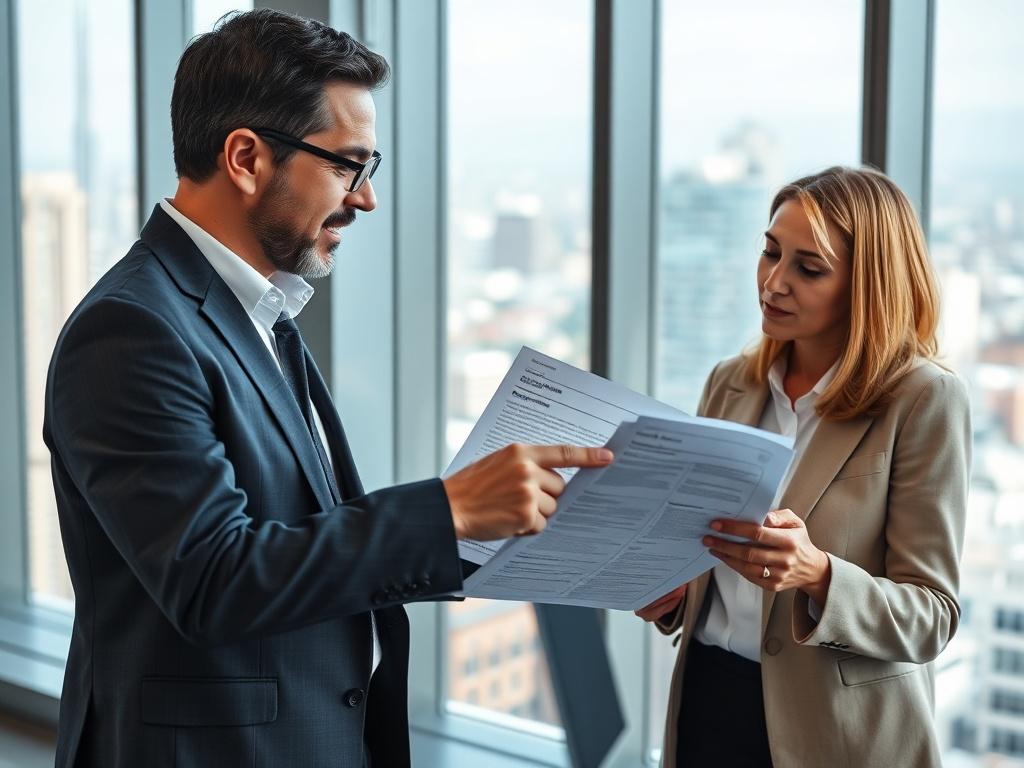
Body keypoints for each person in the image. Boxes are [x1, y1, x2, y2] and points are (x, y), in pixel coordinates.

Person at [43, 10, 613, 768]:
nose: (366, 198)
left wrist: (483, 531)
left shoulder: (259, 311)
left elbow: (297, 534)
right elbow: (213, 578)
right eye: (349, 165)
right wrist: (445, 512)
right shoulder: (130, 331)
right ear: (245, 157)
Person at [636, 166, 970, 767]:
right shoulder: (730, 383)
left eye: (807, 268)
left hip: (835, 733)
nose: (773, 283)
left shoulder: (923, 399)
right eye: (769, 253)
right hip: (708, 700)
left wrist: (818, 575)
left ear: (866, 285)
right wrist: (674, 597)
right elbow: (706, 560)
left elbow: (931, 619)